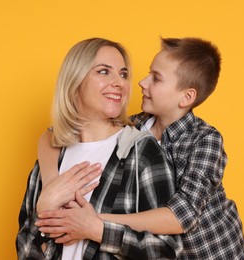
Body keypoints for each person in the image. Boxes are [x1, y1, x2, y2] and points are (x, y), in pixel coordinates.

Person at [36, 37, 244, 259]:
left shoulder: (204, 140)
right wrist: (50, 185)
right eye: (148, 73)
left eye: (156, 78)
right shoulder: (136, 126)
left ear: (186, 97)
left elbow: (181, 217)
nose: (142, 82)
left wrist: (94, 222)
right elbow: (52, 134)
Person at [15, 37, 183, 259]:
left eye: (123, 74)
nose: (119, 82)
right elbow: (25, 251)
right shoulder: (51, 158)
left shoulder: (141, 152)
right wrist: (43, 211)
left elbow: (168, 251)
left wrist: (98, 230)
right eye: (104, 72)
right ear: (75, 80)